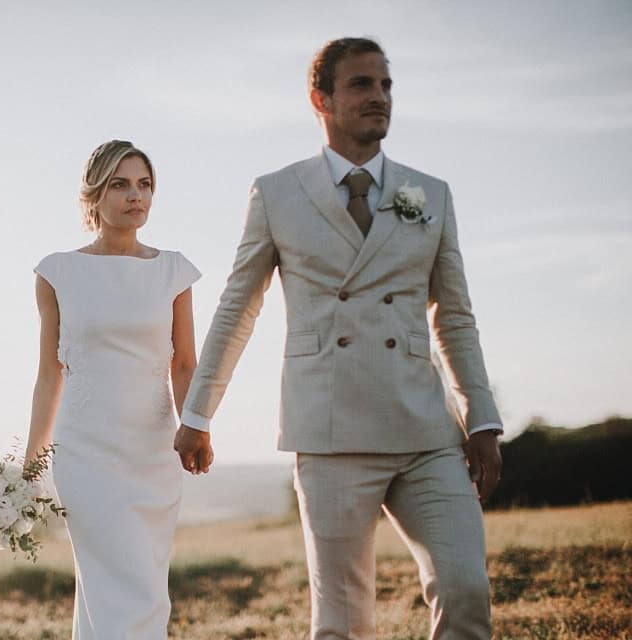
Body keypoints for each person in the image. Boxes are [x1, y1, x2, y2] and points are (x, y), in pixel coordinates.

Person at [173, 37, 503, 639]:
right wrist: (198, 411)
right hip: (329, 434)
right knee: (344, 621)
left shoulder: (428, 192)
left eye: (386, 85)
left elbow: (453, 315)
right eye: (361, 84)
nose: (379, 97)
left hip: (426, 430)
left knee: (465, 588)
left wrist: (481, 419)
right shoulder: (277, 192)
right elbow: (236, 309)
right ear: (319, 98)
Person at [25, 140, 203, 638]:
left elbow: (185, 363)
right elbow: (47, 375)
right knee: (108, 585)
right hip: (86, 455)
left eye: (144, 185)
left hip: (153, 453)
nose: (135, 196)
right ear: (94, 195)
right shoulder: (58, 273)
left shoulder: (174, 270)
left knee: (145, 587)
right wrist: (32, 465)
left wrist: (197, 426)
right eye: (120, 184)